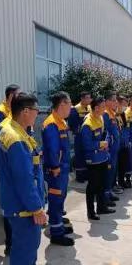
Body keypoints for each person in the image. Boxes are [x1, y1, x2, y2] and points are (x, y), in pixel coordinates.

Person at [0, 92, 47, 265]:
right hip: (22, 205)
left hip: (18, 202)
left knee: (29, 243)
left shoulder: (12, 130)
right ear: (25, 111)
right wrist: (37, 208)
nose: (37, 114)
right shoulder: (15, 139)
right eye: (35, 111)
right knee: (24, 247)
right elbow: (24, 180)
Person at [0, 84, 21, 256]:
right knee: (9, 205)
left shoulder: (17, 112)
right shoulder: (0, 114)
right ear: (9, 97)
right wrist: (0, 168)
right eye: (17, 95)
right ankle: (10, 244)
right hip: (7, 168)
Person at [41, 92, 74, 247]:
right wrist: (55, 167)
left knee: (60, 199)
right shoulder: (51, 124)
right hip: (56, 170)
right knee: (55, 201)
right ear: (62, 104)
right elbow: (52, 149)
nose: (71, 107)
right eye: (70, 104)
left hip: (62, 168)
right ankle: (56, 234)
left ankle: (58, 225)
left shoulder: (61, 122)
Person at [81, 97, 114, 220]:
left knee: (102, 184)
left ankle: (101, 207)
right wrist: (100, 144)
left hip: (103, 157)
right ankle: (91, 212)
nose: (105, 109)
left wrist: (106, 141)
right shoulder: (87, 123)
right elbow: (86, 144)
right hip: (93, 160)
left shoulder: (100, 118)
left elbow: (105, 133)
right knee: (92, 186)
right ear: (96, 108)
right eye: (103, 107)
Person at [67, 91, 92, 183]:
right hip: (79, 136)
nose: (89, 100)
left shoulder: (90, 108)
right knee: (79, 156)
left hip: (89, 136)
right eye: (87, 98)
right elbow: (72, 124)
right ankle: (80, 176)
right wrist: (77, 132)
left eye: (89, 98)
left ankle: (87, 175)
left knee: (87, 155)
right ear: (82, 98)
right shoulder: (75, 109)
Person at [103, 92, 121, 205]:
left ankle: (109, 191)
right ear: (107, 102)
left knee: (112, 170)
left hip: (114, 148)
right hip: (109, 149)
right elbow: (105, 132)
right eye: (114, 100)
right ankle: (105, 194)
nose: (116, 102)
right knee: (108, 171)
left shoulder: (112, 113)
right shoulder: (105, 114)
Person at [116, 96, 132, 189]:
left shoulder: (125, 115)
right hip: (118, 144)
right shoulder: (114, 115)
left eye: (126, 105)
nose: (125, 107)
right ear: (118, 104)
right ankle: (117, 183)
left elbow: (127, 130)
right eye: (124, 105)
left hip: (125, 143)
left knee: (123, 164)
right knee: (117, 165)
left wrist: (128, 141)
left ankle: (122, 181)